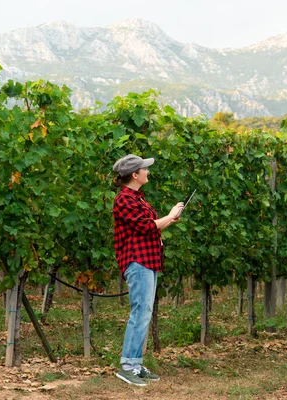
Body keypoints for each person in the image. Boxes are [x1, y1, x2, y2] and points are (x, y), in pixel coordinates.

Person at [111, 154, 184, 386]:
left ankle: (135, 362)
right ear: (134, 174)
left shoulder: (138, 199)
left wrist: (171, 219)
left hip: (149, 260)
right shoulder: (124, 199)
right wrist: (169, 215)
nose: (147, 172)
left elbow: (151, 228)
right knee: (140, 312)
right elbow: (145, 226)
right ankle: (127, 366)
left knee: (144, 312)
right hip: (138, 261)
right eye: (144, 169)